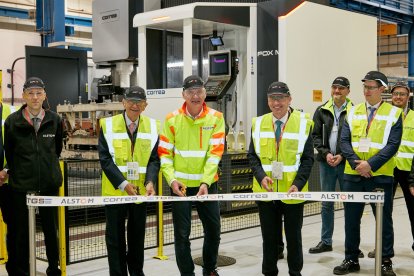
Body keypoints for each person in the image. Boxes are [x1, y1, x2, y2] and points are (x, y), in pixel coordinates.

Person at [334, 71, 402, 276]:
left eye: (371, 87)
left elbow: (392, 145)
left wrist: (370, 165)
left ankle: (385, 260)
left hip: (380, 175)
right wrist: (358, 165)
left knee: (384, 220)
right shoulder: (353, 112)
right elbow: (344, 142)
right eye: (365, 87)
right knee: (351, 220)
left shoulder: (394, 114)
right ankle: (351, 258)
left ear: (382, 89)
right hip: (352, 175)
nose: (366, 91)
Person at [158, 75, 224, 276]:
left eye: (199, 92)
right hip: (181, 187)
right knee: (182, 234)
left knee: (213, 230)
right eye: (191, 92)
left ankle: (210, 268)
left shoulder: (216, 118)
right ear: (183, 95)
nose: (196, 96)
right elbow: (164, 154)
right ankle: (187, 273)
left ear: (205, 93)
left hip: (207, 185)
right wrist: (172, 180)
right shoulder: (171, 119)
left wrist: (205, 180)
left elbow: (215, 154)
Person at [247, 81, 314, 276]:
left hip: (292, 191)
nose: (277, 103)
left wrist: (298, 184)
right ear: (268, 101)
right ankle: (269, 272)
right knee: (269, 238)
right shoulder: (258, 123)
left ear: (289, 99)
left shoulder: (303, 123)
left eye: (281, 98)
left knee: (294, 237)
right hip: (266, 192)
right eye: (273, 99)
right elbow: (252, 156)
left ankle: (295, 272)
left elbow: (308, 159)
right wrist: (261, 177)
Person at [4, 77, 64, 276]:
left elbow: (56, 149)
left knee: (51, 230)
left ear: (44, 95)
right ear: (24, 96)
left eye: (39, 93)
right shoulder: (12, 122)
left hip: (48, 184)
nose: (35, 97)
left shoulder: (55, 120)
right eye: (30, 93)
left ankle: (53, 268)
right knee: (21, 232)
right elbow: (10, 153)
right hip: (22, 186)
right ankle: (21, 270)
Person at [98, 86, 160, 276]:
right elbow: (105, 160)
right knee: (115, 239)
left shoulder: (153, 126)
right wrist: (124, 184)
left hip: (140, 193)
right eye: (131, 101)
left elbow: (154, 160)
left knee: (136, 239)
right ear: (123, 102)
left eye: (139, 102)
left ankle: (136, 273)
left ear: (145, 105)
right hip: (116, 193)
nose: (135, 105)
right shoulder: (107, 125)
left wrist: (150, 181)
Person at [309, 77, 360, 255]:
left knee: (350, 205)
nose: (337, 91)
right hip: (326, 163)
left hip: (347, 164)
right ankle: (326, 241)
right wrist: (326, 154)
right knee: (326, 204)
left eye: (341, 88)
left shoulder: (355, 111)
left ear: (348, 91)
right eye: (334, 88)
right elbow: (315, 136)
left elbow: (358, 138)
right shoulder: (321, 110)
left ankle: (352, 245)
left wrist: (342, 155)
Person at [367, 81, 414, 258]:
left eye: (402, 94)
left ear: (408, 96)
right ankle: (384, 248)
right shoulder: (381, 116)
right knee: (382, 212)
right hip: (387, 168)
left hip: (408, 170)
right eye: (395, 94)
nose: (398, 97)